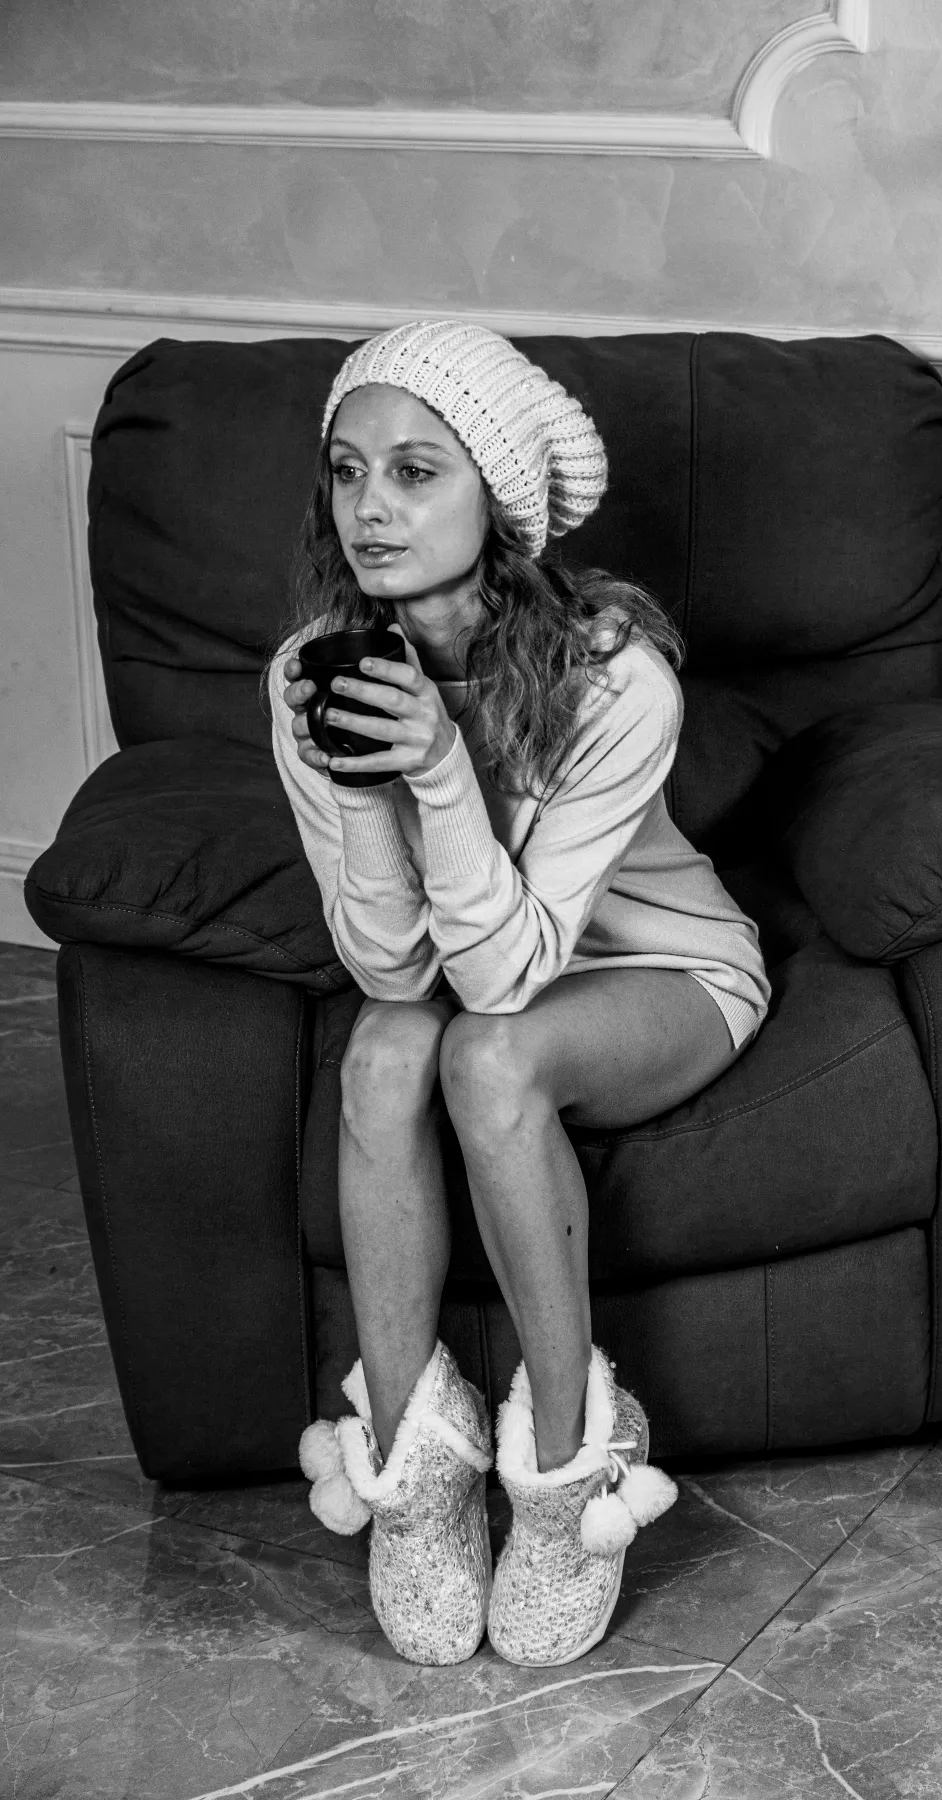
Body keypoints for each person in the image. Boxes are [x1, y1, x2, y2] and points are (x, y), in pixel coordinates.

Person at [267, 319, 771, 1669]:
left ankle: (566, 1464)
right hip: (470, 965)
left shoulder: (617, 680)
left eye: (415, 471)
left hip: (657, 967)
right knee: (385, 1053)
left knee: (488, 1058)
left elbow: (507, 980)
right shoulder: (313, 676)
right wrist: (367, 778)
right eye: (347, 470)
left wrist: (440, 768)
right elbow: (393, 967)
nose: (371, 507)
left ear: (494, 496)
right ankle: (413, 1463)